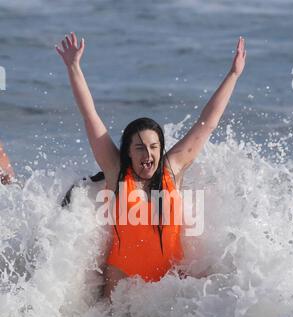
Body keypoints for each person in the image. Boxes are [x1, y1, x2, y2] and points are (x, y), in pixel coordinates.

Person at [55, 33, 246, 300]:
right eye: (140, 147)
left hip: (171, 284)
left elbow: (208, 122)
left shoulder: (172, 170)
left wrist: (233, 75)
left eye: (154, 147)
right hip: (121, 284)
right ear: (128, 153)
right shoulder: (117, 173)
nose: (148, 154)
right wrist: (73, 67)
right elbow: (90, 116)